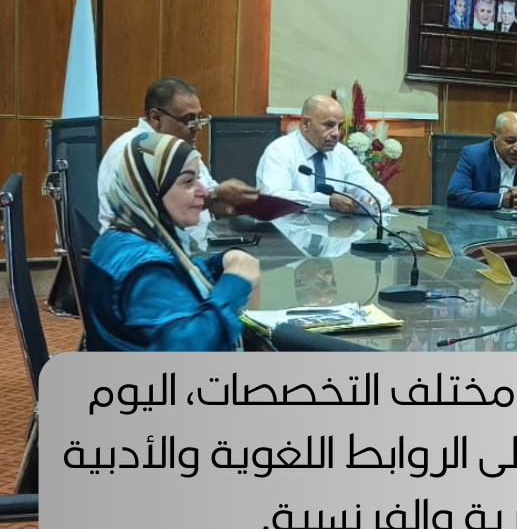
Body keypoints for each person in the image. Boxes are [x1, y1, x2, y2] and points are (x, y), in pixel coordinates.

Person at [84, 133, 261, 351]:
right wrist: (235, 284)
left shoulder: (121, 237)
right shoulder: (146, 269)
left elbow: (174, 279)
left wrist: (218, 264)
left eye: (198, 179)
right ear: (151, 189)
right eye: (188, 182)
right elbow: (189, 351)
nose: (203, 191)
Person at [97, 77, 258, 236]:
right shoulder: (132, 152)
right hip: (142, 246)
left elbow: (209, 191)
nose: (198, 127)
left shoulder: (179, 146)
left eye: (199, 117)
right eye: (189, 119)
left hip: (195, 240)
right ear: (156, 118)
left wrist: (232, 201)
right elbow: (153, 214)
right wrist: (215, 195)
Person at [256, 95, 392, 214]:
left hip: (333, 231)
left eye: (339, 126)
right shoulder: (280, 150)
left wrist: (375, 200)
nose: (336, 133)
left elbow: (378, 193)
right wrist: (327, 201)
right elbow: (272, 198)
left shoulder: (342, 153)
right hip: (284, 232)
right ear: (306, 124)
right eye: (329, 125)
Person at [446, 111, 517, 211]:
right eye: (510, 141)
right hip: (482, 225)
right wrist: (501, 199)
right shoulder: (473, 155)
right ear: (494, 138)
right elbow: (455, 194)